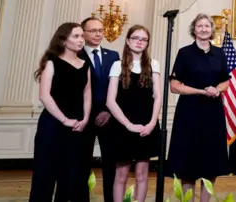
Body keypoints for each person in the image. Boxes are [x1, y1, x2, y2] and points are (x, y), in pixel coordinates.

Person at [167, 14, 231, 202]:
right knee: (188, 164)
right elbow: (174, 85)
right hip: (189, 113)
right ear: (193, 30)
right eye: (199, 26)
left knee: (211, 164)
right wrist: (201, 91)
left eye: (207, 26)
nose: (203, 29)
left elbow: (225, 82)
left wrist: (216, 89)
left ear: (212, 30)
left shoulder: (219, 53)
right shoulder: (184, 53)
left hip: (213, 114)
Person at [29, 22, 92, 202]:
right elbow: (44, 96)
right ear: (63, 41)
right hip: (53, 126)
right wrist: (64, 120)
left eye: (82, 36)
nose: (81, 40)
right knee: (45, 175)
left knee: (71, 177)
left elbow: (87, 93)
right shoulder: (52, 63)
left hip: (77, 127)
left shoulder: (84, 65)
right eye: (76, 36)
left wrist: (85, 118)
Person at [106, 25, 162, 202]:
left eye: (143, 39)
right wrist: (128, 125)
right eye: (136, 38)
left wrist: (152, 123)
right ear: (128, 41)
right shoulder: (117, 65)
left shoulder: (154, 64)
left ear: (147, 43)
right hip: (123, 126)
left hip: (146, 124)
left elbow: (158, 96)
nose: (139, 42)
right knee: (121, 174)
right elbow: (110, 101)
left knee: (142, 174)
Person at [79, 17, 120, 202]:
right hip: (82, 118)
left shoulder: (113, 56)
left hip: (108, 118)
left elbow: (120, 87)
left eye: (100, 30)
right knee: (81, 164)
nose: (98, 34)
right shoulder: (75, 55)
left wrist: (109, 111)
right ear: (83, 33)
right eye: (93, 30)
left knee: (111, 165)